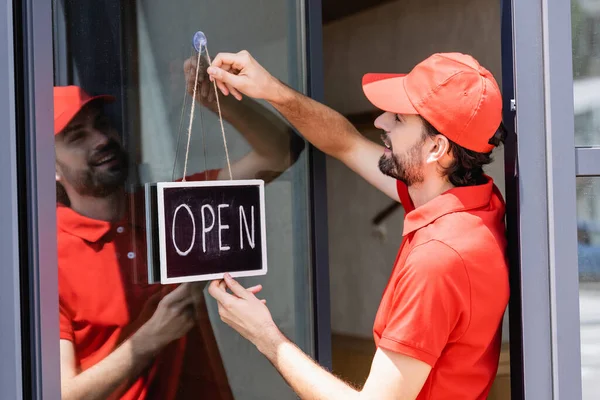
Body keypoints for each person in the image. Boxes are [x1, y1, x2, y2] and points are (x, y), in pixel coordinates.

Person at [206, 51, 510, 399]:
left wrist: (265, 337)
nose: (380, 122)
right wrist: (271, 89)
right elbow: (345, 143)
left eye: (398, 118)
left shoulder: (439, 260)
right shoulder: (474, 203)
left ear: (436, 148)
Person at [55, 55, 304, 400]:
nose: (100, 139)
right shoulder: (44, 258)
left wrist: (217, 102)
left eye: (101, 124)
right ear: (48, 167)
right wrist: (152, 337)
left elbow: (281, 152)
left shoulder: (171, 207)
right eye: (76, 136)